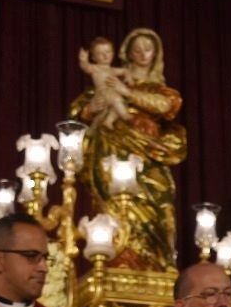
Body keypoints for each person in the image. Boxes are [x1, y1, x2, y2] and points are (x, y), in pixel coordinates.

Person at [69, 27, 187, 272]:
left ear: (156, 54)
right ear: (128, 54)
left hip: (149, 154)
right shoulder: (109, 81)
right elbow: (78, 115)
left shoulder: (158, 90)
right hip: (111, 150)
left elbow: (166, 106)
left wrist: (127, 93)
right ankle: (116, 261)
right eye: (137, 50)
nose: (143, 54)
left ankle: (156, 263)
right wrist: (91, 108)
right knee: (112, 206)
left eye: (148, 49)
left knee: (156, 205)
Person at [78, 36, 131, 130]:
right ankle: (126, 116)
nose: (105, 55)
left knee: (117, 105)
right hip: (102, 93)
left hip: (112, 94)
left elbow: (125, 71)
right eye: (100, 53)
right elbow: (85, 67)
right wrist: (83, 60)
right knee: (116, 100)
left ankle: (108, 121)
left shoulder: (112, 70)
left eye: (108, 52)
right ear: (94, 57)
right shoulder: (95, 68)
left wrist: (128, 77)